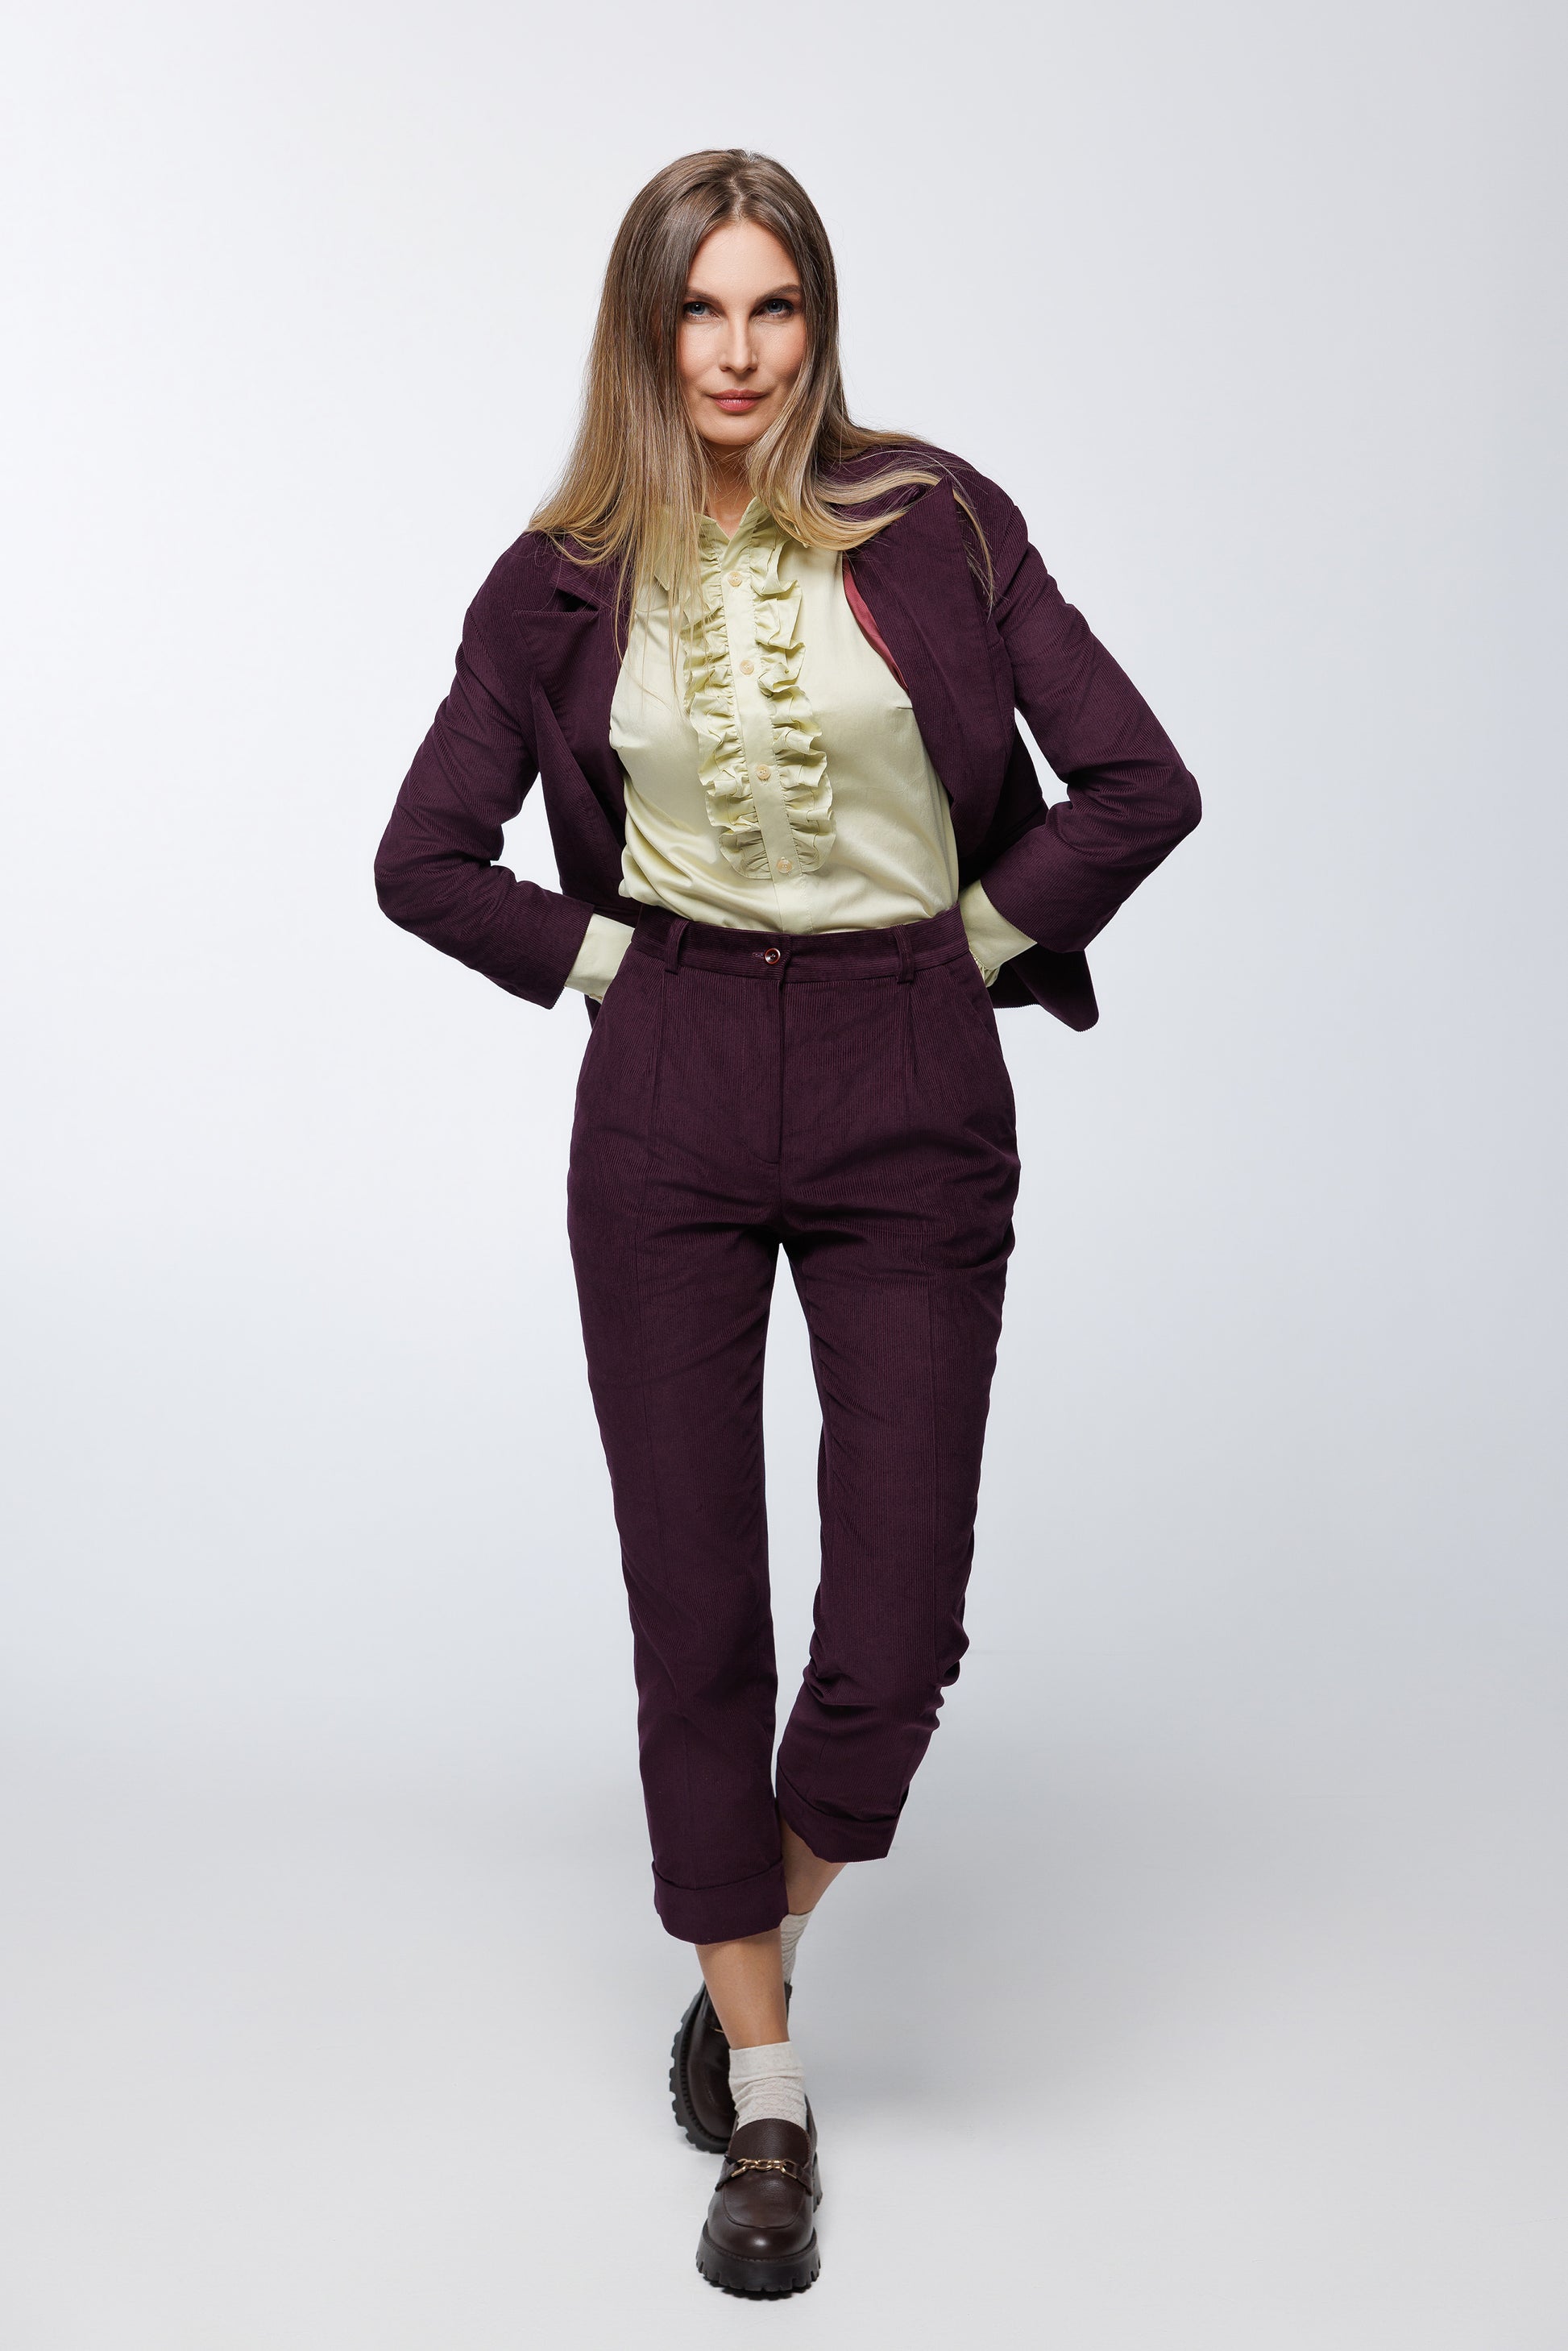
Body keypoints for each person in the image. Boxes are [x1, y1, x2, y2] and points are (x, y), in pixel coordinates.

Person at [374, 147, 1200, 2297]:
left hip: (903, 1065)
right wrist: (606, 967)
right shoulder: (560, 578)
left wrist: (972, 948)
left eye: (775, 308)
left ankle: (755, 1922)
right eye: (700, 312)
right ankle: (764, 2091)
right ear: (644, 331)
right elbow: (422, 855)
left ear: (817, 321)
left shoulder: (939, 521)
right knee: (695, 1602)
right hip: (667, 1089)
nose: (738, 355)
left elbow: (1139, 780)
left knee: (892, 1634)